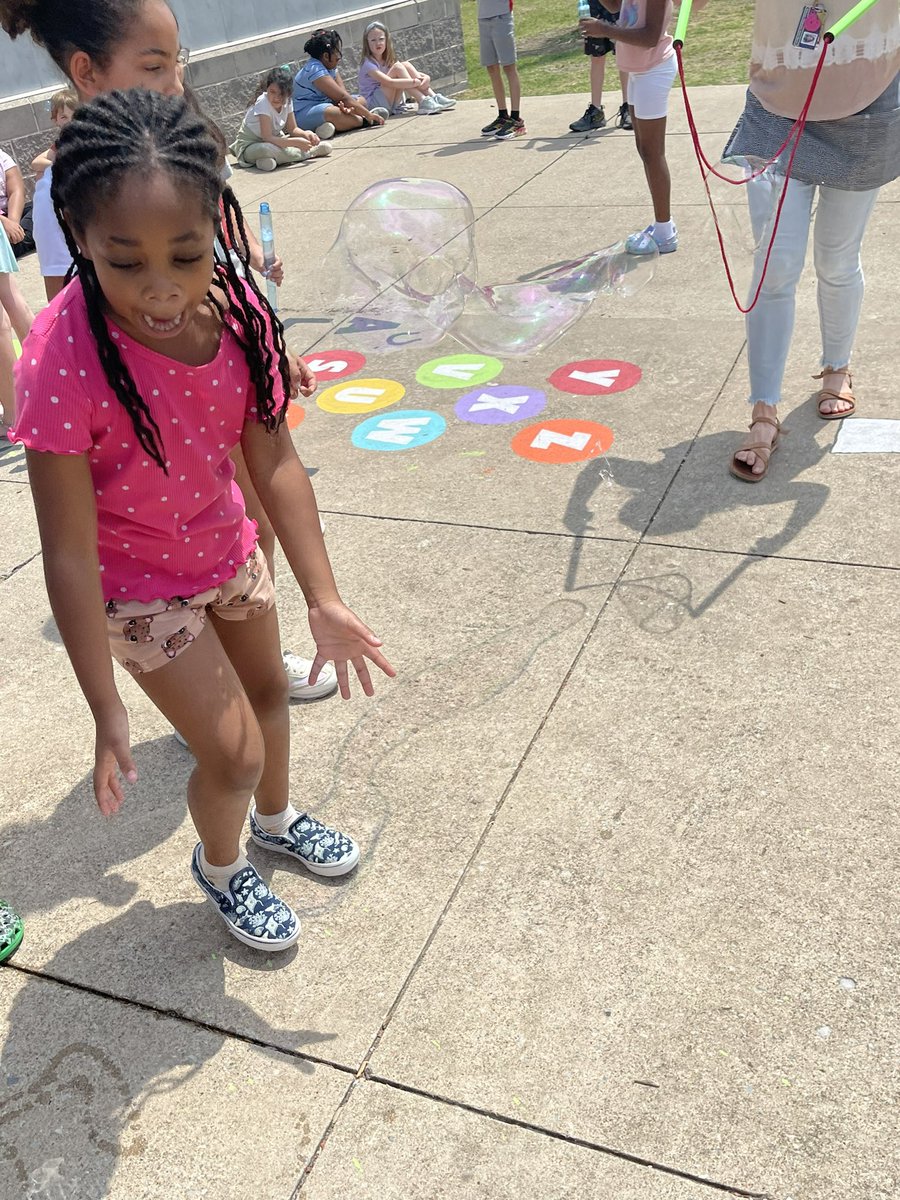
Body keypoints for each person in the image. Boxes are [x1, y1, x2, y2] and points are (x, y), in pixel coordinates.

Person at [10, 89, 396, 950]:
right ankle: (220, 868)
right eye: (123, 262)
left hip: (226, 546)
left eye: (186, 255)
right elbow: (68, 554)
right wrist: (105, 705)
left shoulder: (239, 311)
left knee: (269, 701)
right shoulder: (62, 360)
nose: (161, 290)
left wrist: (323, 597)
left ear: (215, 224)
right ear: (75, 233)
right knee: (231, 754)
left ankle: (275, 821)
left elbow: (274, 460)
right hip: (139, 592)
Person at [0, 0, 336, 701]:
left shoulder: (181, 141)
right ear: (88, 73)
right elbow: (82, 299)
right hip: (153, 408)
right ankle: (216, 697)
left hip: (213, 365)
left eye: (176, 61)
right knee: (228, 523)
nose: (175, 80)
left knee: (253, 524)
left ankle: (249, 669)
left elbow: (211, 257)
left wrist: (268, 343)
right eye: (155, 65)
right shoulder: (88, 183)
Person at [718, 0, 900, 481]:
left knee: (837, 259)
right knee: (774, 266)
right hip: (776, 102)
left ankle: (837, 367)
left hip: (866, 102)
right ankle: (763, 412)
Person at [579, 1, 680, 254]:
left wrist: (605, 30)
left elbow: (649, 36)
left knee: (652, 152)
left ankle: (665, 232)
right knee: (644, 150)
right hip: (637, 70)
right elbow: (617, 8)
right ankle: (661, 224)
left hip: (653, 69)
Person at [230, 66, 333, 172]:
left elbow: (292, 129)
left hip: (275, 139)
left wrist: (306, 134)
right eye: (272, 92)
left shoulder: (288, 101)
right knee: (266, 149)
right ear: (267, 89)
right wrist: (295, 142)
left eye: (281, 94)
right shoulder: (262, 102)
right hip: (251, 145)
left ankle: (265, 161)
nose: (276, 97)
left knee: (276, 148)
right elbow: (267, 137)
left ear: (288, 93)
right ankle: (312, 152)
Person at [292, 29, 388, 136]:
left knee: (361, 100)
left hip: (327, 105)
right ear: (326, 56)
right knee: (334, 113)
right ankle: (364, 121)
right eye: (336, 52)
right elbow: (342, 97)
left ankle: (331, 127)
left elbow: (343, 94)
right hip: (305, 113)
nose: (339, 56)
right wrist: (368, 114)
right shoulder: (315, 70)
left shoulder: (331, 66)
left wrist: (346, 108)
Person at [358, 20, 456, 117]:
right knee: (397, 68)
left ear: (387, 40)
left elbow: (408, 74)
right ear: (367, 43)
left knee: (405, 65)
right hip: (375, 105)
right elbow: (389, 82)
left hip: (390, 102)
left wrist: (425, 77)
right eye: (373, 40)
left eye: (381, 39)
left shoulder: (387, 60)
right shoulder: (368, 64)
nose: (378, 43)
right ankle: (422, 100)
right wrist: (414, 82)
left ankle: (433, 96)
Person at [569, 2, 630, 134]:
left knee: (622, 51)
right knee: (596, 55)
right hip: (594, 5)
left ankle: (628, 107)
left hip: (619, 4)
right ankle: (596, 112)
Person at [477, 0, 525, 139]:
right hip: (483, 16)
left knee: (509, 66)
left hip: (502, 15)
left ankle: (516, 120)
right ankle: (502, 115)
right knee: (491, 67)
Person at [30, 87, 79, 182]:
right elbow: (36, 163)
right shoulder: (63, 142)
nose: (70, 121)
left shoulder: (90, 138)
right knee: (42, 174)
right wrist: (60, 166)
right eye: (64, 117)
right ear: (55, 120)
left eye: (75, 116)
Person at [0, 144, 35, 258]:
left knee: (43, 205)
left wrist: (13, 223)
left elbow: (16, 191)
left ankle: (10, 246)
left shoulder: (2, 157)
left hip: (9, 216)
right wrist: (3, 222)